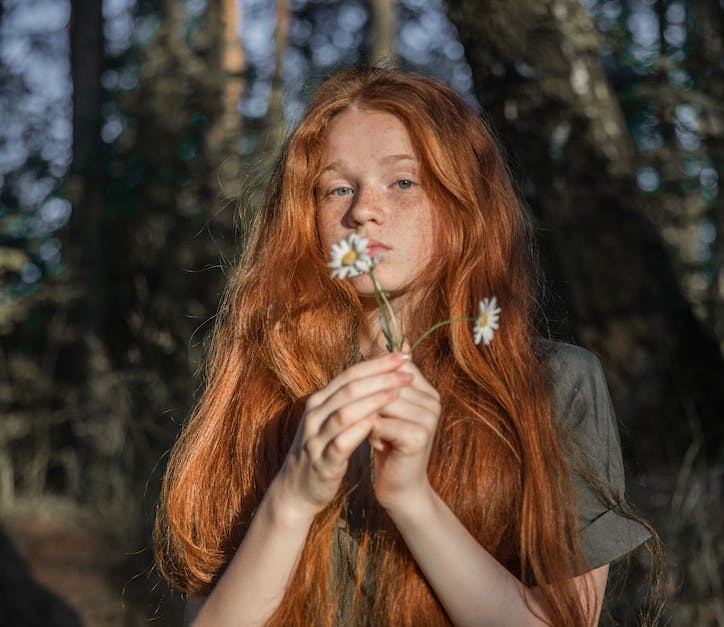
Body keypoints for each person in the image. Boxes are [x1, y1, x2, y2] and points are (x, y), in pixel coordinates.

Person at [154, 66, 656, 626]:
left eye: (402, 182)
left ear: (464, 203)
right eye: (338, 188)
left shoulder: (551, 383)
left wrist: (413, 499)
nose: (363, 210)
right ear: (307, 220)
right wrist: (291, 500)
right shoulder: (265, 395)